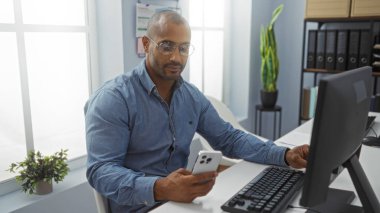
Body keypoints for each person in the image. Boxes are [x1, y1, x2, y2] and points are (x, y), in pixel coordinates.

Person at [84, 10, 309, 213]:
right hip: (141, 207)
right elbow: (101, 171)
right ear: (146, 44)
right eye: (166, 46)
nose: (176, 57)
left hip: (183, 203)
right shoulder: (113, 99)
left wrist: (284, 155)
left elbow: (229, 139)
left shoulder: (190, 96)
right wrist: (162, 188)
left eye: (183, 48)